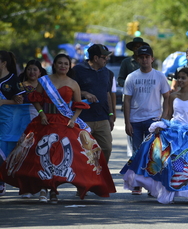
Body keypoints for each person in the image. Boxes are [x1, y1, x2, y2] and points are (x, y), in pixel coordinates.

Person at [0, 53, 116, 204]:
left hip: (65, 122)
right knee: (41, 155)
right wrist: (41, 114)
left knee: (65, 157)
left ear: (69, 67)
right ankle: (43, 188)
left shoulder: (73, 83)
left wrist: (73, 119)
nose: (63, 66)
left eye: (66, 64)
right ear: (54, 65)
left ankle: (54, 188)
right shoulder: (44, 81)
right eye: (60, 63)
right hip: (45, 121)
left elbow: (79, 105)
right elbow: (36, 99)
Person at [121, 68, 188, 204]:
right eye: (179, 78)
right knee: (169, 161)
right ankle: (171, 190)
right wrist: (160, 125)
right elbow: (167, 114)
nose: (180, 80)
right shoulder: (172, 96)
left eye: (183, 78)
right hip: (173, 131)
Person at [123, 45, 170, 195]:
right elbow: (127, 101)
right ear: (137, 59)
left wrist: (163, 119)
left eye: (147, 57)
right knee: (137, 153)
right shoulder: (132, 77)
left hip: (153, 120)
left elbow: (167, 97)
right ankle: (137, 184)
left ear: (152, 59)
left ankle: (152, 185)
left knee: (154, 154)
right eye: (141, 57)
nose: (144, 60)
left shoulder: (159, 76)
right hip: (135, 121)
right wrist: (127, 122)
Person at [72, 44, 116, 163]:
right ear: (95, 58)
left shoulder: (107, 72)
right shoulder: (77, 70)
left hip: (102, 118)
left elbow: (107, 94)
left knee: (106, 148)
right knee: (83, 151)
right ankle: (86, 177)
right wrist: (85, 93)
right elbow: (69, 90)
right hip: (83, 118)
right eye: (104, 57)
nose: (106, 59)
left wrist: (111, 115)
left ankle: (100, 173)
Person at [18, 59, 47, 199]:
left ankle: (43, 187)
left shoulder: (46, 86)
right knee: (25, 156)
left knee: (40, 155)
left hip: (42, 122)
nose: (32, 72)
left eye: (35, 69)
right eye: (29, 69)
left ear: (40, 72)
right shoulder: (19, 86)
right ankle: (26, 188)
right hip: (22, 123)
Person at [118, 37, 149, 158]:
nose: (138, 49)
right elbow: (120, 79)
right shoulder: (127, 62)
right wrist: (129, 83)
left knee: (147, 143)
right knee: (133, 139)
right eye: (135, 47)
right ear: (132, 49)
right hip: (130, 102)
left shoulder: (146, 61)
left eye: (140, 46)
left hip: (145, 103)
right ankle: (133, 163)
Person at [0, 50, 23, 196]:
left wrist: (3, 102)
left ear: (3, 63)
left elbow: (20, 101)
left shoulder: (14, 80)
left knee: (2, 150)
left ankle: (1, 181)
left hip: (7, 121)